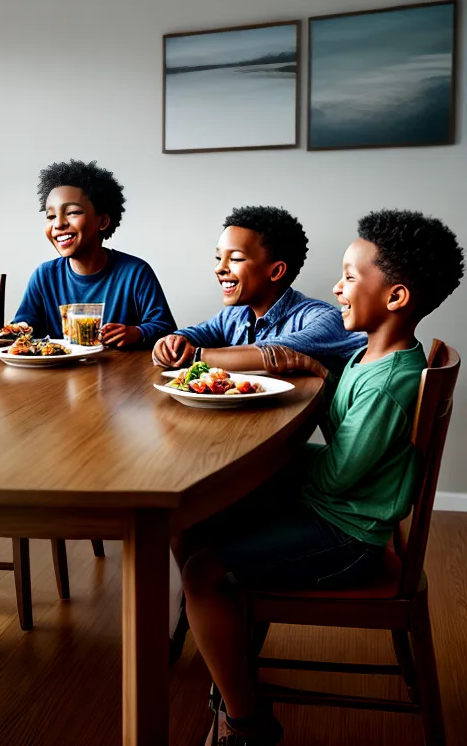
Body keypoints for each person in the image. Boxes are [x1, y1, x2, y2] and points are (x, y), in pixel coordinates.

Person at [176, 210, 463, 745]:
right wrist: (317, 371)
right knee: (202, 518)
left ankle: (245, 720)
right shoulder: (369, 358)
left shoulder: (384, 383)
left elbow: (334, 481)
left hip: (348, 538)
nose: (336, 287)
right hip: (342, 514)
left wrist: (271, 465)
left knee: (201, 571)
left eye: (351, 276)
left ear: (395, 297)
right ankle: (230, 659)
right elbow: (343, 448)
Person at [152, 206, 364, 377]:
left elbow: (275, 353)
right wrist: (173, 341)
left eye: (235, 259)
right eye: (219, 258)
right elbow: (199, 333)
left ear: (276, 271)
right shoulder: (233, 315)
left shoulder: (324, 318)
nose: (220, 268)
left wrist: (196, 356)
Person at [13, 159, 175, 348]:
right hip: (60, 374)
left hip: (120, 374)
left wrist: (137, 332)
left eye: (72, 212)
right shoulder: (44, 276)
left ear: (103, 222)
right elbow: (22, 331)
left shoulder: (135, 273)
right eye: (50, 216)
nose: (58, 224)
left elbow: (166, 330)